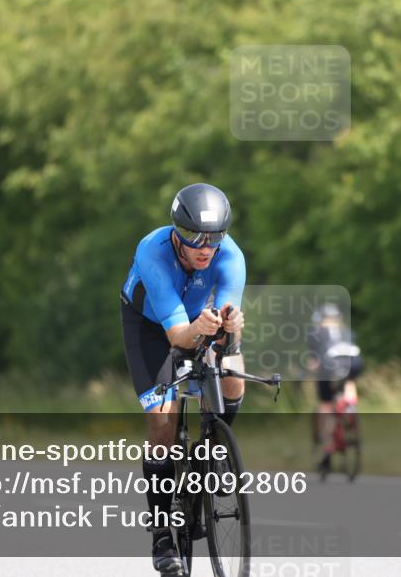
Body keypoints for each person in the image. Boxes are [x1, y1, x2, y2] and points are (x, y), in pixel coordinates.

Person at [120, 183, 246, 576]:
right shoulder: (153, 252)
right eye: (194, 237)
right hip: (150, 326)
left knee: (233, 376)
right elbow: (177, 337)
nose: (205, 247)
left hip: (196, 318)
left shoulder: (231, 257)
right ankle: (161, 533)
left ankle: (213, 450)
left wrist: (229, 331)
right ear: (177, 232)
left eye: (215, 237)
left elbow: (225, 333)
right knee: (163, 418)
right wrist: (200, 330)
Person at [307, 304, 363, 473]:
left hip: (329, 367)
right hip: (354, 364)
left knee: (325, 404)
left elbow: (314, 361)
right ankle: (350, 407)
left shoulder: (316, 334)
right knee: (349, 379)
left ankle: (326, 444)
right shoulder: (347, 332)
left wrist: (311, 369)